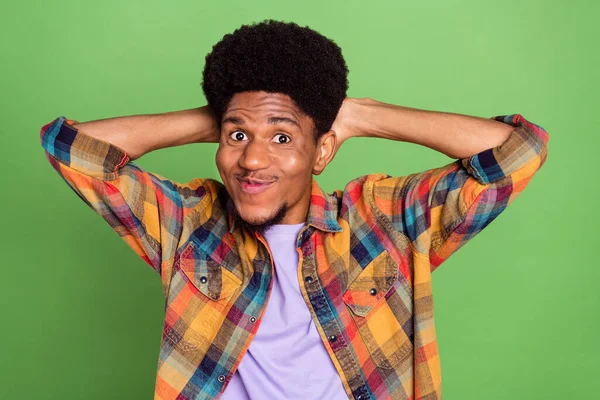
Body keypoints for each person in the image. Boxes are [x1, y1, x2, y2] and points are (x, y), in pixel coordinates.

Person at [39, 19, 549, 400]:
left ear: (322, 150)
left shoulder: (382, 220)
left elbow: (518, 153)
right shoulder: (190, 223)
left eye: (283, 137)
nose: (253, 159)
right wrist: (228, 112)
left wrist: (359, 114)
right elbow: (69, 147)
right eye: (237, 137)